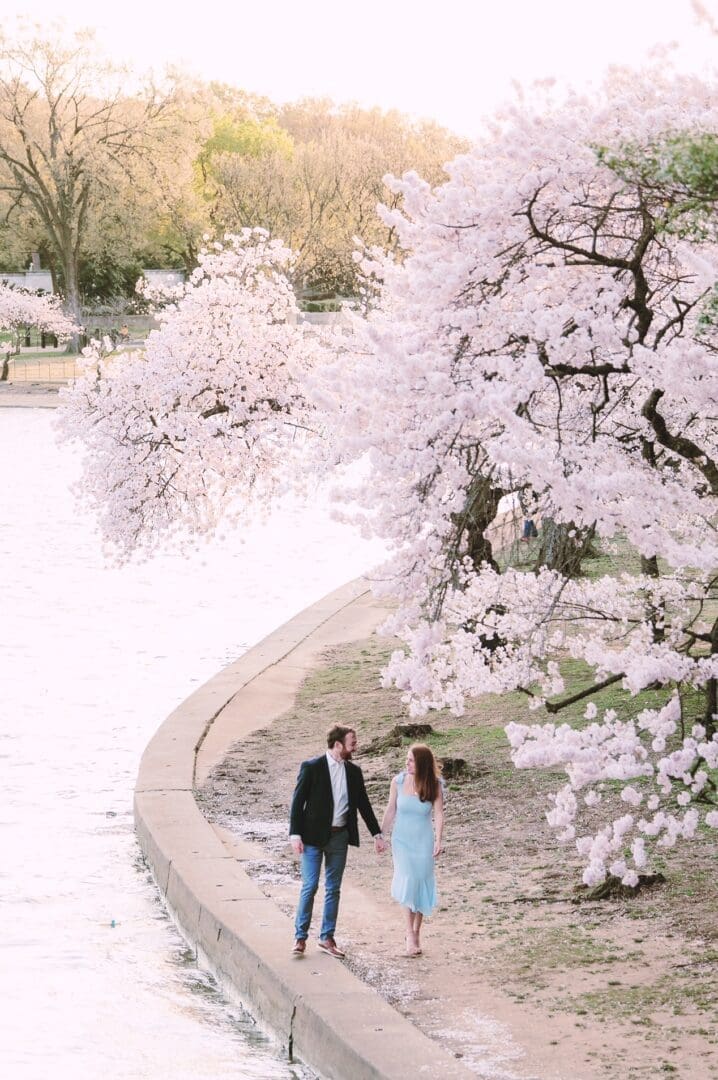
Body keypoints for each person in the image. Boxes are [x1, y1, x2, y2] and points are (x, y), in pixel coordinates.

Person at [289, 724, 385, 958]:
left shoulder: (353, 772)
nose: (356, 746)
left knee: (333, 888)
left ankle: (326, 937)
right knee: (310, 886)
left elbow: (364, 804)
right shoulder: (312, 767)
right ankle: (300, 936)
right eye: (352, 742)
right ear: (338, 744)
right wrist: (295, 834)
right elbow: (297, 801)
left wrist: (377, 833)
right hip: (312, 837)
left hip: (340, 836)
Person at [380, 743, 444, 956]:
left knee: (419, 882)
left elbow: (439, 814)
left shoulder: (433, 785)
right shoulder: (397, 782)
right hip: (402, 841)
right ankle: (409, 934)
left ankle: (417, 931)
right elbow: (391, 810)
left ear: (422, 763)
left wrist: (438, 839)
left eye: (411, 760)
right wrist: (380, 834)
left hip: (423, 840)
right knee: (407, 881)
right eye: (406, 759)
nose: (406, 763)